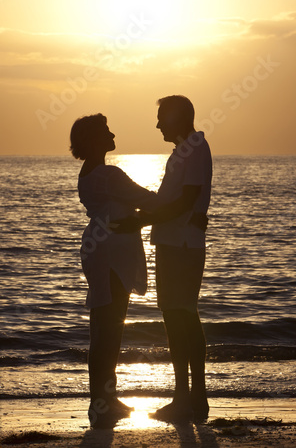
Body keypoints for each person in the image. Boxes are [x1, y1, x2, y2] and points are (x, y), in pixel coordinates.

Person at [115, 95, 212, 423]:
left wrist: (139, 221)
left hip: (181, 244)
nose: (157, 125)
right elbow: (176, 200)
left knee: (180, 316)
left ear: (178, 118)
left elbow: (186, 202)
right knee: (181, 315)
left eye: (162, 118)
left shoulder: (195, 148)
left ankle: (189, 398)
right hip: (176, 242)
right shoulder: (186, 150)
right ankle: (190, 398)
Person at [70, 113, 160, 428]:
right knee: (108, 331)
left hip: (100, 251)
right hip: (109, 254)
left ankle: (106, 399)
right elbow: (145, 198)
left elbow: (130, 202)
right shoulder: (108, 174)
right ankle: (101, 405)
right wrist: (176, 202)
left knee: (105, 329)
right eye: (106, 130)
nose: (112, 133)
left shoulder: (89, 173)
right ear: (95, 139)